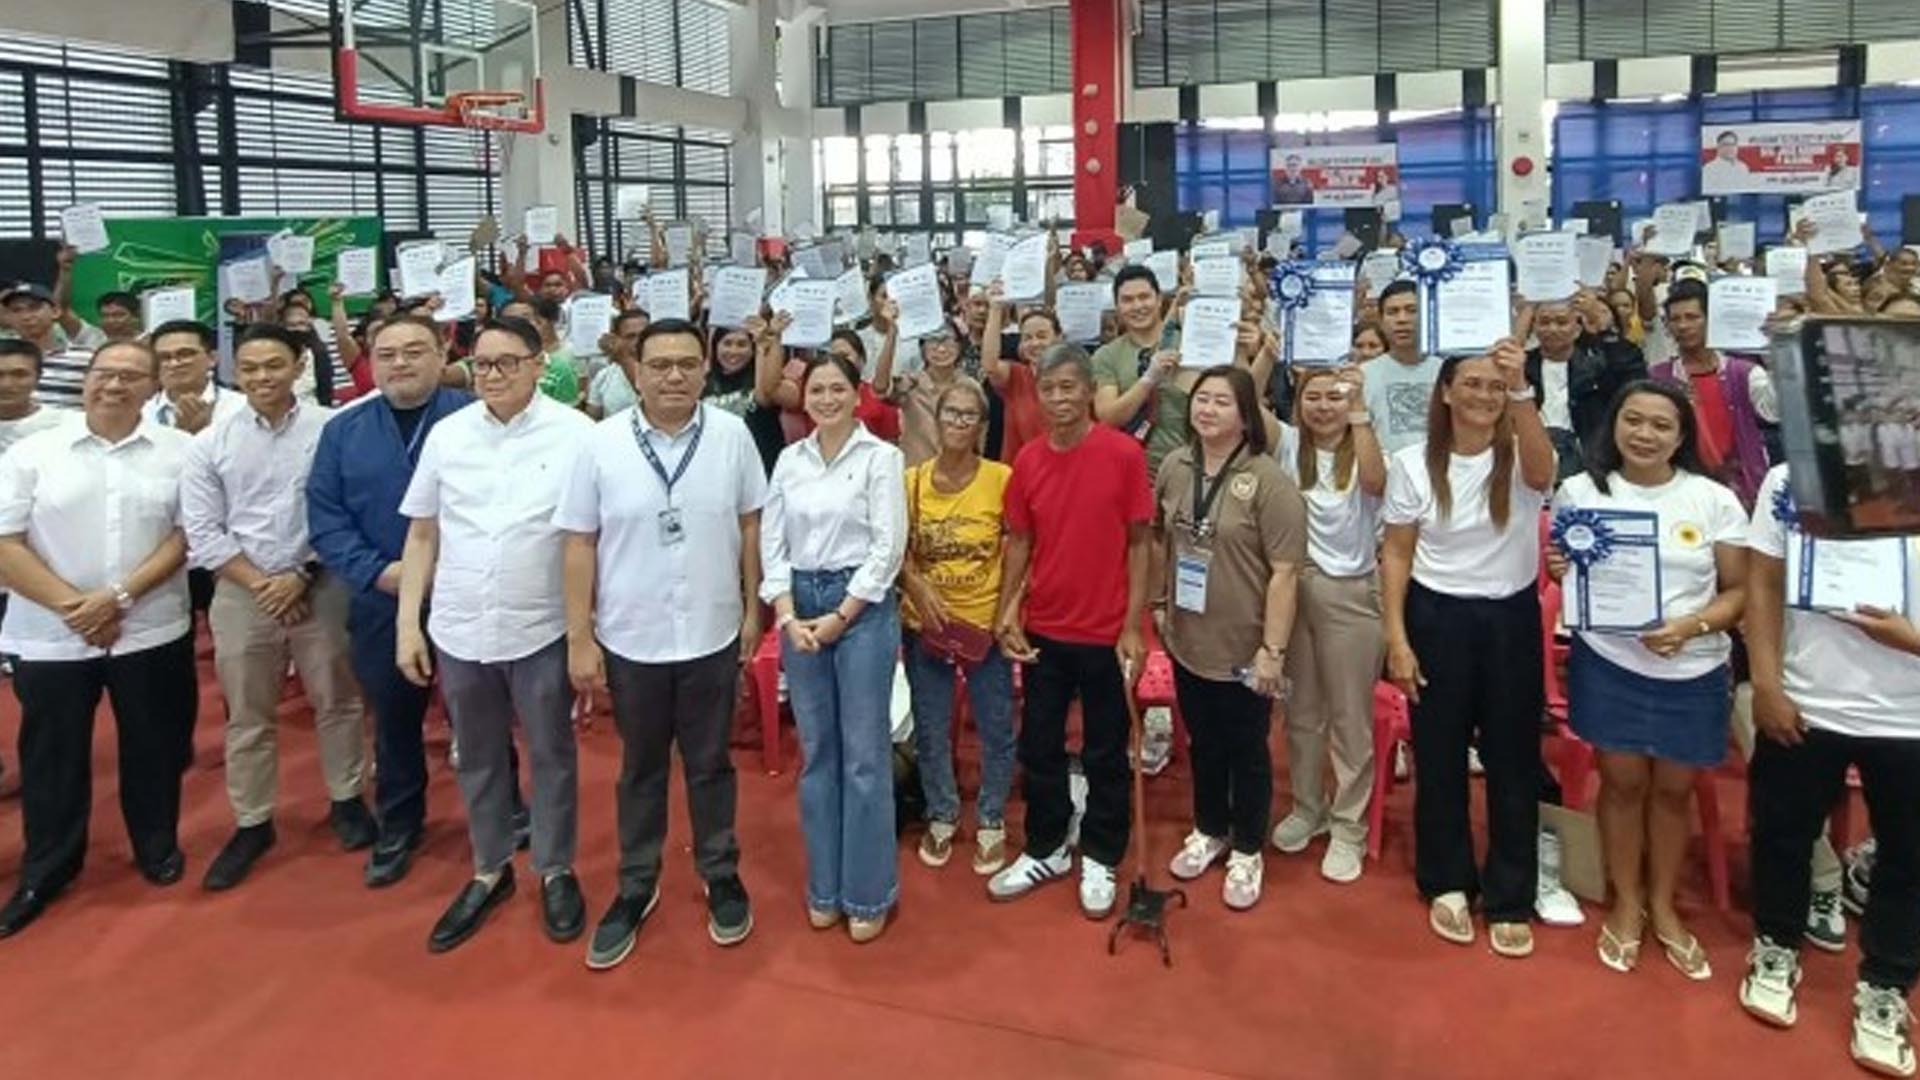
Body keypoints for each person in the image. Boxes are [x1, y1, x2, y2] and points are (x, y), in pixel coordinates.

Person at [556, 318, 766, 968]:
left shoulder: (731, 436)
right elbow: (579, 542)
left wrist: (752, 611)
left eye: (686, 364)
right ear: (636, 372)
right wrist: (579, 636)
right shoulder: (599, 443)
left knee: (710, 763)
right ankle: (636, 884)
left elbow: (751, 524)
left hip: (711, 629)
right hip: (631, 635)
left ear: (704, 370)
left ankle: (720, 871)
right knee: (641, 768)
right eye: (660, 365)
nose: (674, 376)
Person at [395, 317, 593, 953]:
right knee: (477, 756)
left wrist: (585, 632)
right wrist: (407, 624)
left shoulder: (577, 436)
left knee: (551, 752)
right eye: (482, 364)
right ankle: (490, 868)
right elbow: (422, 532)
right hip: (460, 625)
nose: (493, 375)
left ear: (539, 365)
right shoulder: (448, 435)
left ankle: (555, 868)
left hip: (541, 625)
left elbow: (589, 540)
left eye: (508, 362)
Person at [1546, 381, 1748, 979]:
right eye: (1632, 420)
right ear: (1614, 425)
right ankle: (1626, 902)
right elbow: (1569, 571)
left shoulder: (1714, 500)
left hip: (1694, 667)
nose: (1644, 434)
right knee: (1623, 783)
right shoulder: (1580, 491)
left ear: (1682, 435)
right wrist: (1559, 566)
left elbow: (1740, 592)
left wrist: (1691, 625)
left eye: (1661, 425)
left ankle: (1663, 904)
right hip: (1610, 663)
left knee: (1672, 792)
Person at [0, 340, 198, 937]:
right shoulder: (33, 453)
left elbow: (186, 535)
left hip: (150, 628)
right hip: (51, 634)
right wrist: (76, 608)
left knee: (154, 746)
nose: (114, 385)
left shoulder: (181, 451)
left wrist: (117, 599)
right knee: (51, 756)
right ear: (84, 379)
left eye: (131, 376)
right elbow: (5, 541)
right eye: (103, 374)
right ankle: (47, 868)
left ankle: (156, 845)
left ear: (154, 386)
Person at [180, 325, 375, 891]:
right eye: (249, 367)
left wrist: (300, 574)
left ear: (298, 366)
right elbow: (203, 531)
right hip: (242, 590)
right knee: (247, 712)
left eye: (273, 365)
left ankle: (347, 798)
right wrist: (263, 583)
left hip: (322, 581)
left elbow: (347, 508)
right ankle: (252, 820)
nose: (262, 376)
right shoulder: (210, 443)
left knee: (338, 698)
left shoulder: (331, 429)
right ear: (234, 371)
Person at [1741, 465, 1920, 1078]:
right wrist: (1766, 682)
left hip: (1910, 717)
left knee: (1909, 859)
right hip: (1808, 700)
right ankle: (1775, 945)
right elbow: (1763, 581)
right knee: (1781, 836)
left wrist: (1913, 640)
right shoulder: (1791, 479)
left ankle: (1886, 986)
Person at [1381, 338, 1556, 957]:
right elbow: (1396, 553)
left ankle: (1511, 894)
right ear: (1447, 393)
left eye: (1494, 387)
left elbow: (1545, 473)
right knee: (1440, 754)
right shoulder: (1412, 463)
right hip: (1437, 618)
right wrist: (1397, 638)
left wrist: (1522, 387)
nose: (1484, 396)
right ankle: (1448, 879)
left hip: (1509, 619)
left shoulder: (1521, 453)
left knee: (1513, 759)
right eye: (1472, 384)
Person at [308, 314, 476, 888]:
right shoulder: (343, 431)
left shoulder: (475, 417)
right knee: (395, 717)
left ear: (442, 355)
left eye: (414, 351)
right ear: (369, 361)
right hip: (382, 597)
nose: (400, 363)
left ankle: (503, 809)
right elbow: (326, 518)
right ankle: (400, 822)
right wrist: (379, 573)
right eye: (387, 354)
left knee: (481, 713)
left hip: (469, 590)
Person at [988, 342, 1152, 919]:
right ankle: (1048, 845)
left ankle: (1102, 853)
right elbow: (1020, 542)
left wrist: (1133, 626)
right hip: (1046, 628)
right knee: (1040, 744)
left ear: (1087, 391)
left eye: (1068, 388)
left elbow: (1140, 543)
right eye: (1048, 389)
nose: (1058, 399)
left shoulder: (1123, 454)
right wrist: (1007, 611)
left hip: (1106, 631)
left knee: (1105, 749)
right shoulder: (1028, 461)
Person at [761, 353, 907, 943]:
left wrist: (842, 617)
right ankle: (825, 886)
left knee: (865, 756)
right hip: (800, 604)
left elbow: (887, 548)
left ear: (857, 394)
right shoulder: (789, 460)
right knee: (817, 753)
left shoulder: (881, 457)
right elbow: (772, 543)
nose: (826, 399)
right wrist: (786, 614)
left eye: (837, 389)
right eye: (816, 390)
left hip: (861, 607)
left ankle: (868, 892)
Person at [1155, 366, 1303, 910]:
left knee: (1248, 750)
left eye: (1222, 402)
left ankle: (1247, 847)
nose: (1207, 409)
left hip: (1247, 644)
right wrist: (1158, 604)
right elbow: (1161, 540)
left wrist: (1273, 651)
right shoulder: (1175, 465)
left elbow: (1286, 572)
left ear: (1246, 416)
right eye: (1202, 399)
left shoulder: (1269, 481)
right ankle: (1209, 828)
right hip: (1189, 635)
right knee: (1204, 742)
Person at [898, 378, 1016, 876]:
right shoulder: (911, 481)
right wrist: (915, 585)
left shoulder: (1002, 478)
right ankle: (942, 811)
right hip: (925, 624)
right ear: (937, 418)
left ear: (982, 425)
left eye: (970, 415)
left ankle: (991, 817)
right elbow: (896, 548)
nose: (959, 423)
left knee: (996, 726)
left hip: (984, 624)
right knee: (931, 726)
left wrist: (1006, 613)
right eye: (951, 413)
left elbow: (1019, 549)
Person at [1275, 364, 1388, 883]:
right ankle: (1308, 806)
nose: (1323, 406)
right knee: (1301, 710)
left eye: (1333, 397)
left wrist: (1359, 409)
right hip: (1295, 590)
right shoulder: (1288, 445)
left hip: (1351, 593)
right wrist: (1260, 350)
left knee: (1349, 716)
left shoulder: (1366, 447)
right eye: (1312, 397)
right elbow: (1246, 399)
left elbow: (1375, 483)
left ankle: (1348, 825)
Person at [1650, 282, 1775, 509]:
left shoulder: (1744, 373)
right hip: (1681, 494)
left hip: (1745, 492)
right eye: (1675, 319)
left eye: (1692, 317)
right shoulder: (1658, 377)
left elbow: (1774, 411)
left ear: (1711, 320)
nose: (1683, 325)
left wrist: (1776, 350)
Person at [1524, 297, 1649, 485]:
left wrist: (1605, 331)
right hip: (1531, 454)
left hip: (1586, 458)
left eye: (1561, 322)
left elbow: (1632, 379)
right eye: (1544, 322)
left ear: (1577, 329)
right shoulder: (1523, 366)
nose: (1552, 329)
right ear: (1534, 327)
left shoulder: (1599, 365)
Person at [1092, 265, 1186, 477]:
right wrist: (1148, 379)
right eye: (1127, 300)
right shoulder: (1106, 356)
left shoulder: (1188, 343)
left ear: (1159, 299)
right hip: (1134, 471)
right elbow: (1108, 417)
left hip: (1190, 468)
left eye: (1144, 297)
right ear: (1117, 306)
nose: (1137, 306)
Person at [980, 285, 1058, 466]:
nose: (1035, 343)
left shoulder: (1073, 378)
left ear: (1058, 338)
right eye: (1027, 338)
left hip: (1063, 470)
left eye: (1042, 336)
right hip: (1020, 471)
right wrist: (995, 309)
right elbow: (990, 365)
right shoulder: (1016, 376)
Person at [1362, 280, 1443, 454]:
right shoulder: (1363, 375)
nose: (1402, 319)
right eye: (1392, 312)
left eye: (1412, 310)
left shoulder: (1446, 371)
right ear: (1380, 321)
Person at [875, 323, 967, 467]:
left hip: (959, 472)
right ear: (922, 348)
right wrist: (892, 331)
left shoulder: (970, 386)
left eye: (948, 340)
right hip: (917, 472)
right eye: (933, 341)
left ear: (959, 346)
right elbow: (881, 387)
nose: (941, 349)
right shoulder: (911, 384)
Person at [2, 282, 101, 411]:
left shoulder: (86, 358)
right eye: (17, 310)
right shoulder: (2, 359)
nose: (26, 316)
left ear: (55, 311)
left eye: (34, 308)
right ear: (8, 318)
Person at [585, 309, 646, 420]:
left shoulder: (666, 370)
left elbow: (644, 392)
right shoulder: (604, 376)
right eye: (630, 336)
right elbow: (592, 418)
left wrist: (622, 357)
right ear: (616, 339)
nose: (638, 342)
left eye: (643, 335)